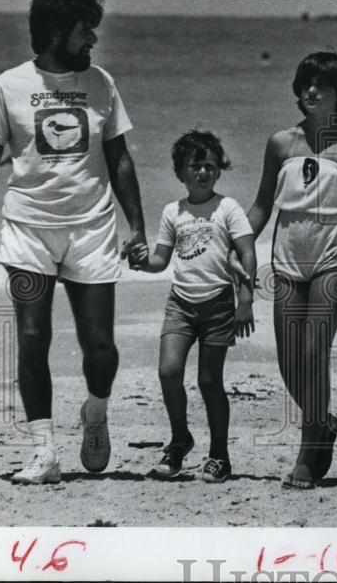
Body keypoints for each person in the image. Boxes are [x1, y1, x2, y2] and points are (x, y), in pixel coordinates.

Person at [0, 0, 146, 484]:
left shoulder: (102, 84)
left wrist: (137, 226)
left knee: (101, 348)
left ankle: (95, 412)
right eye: (86, 31)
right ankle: (44, 451)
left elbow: (120, 158)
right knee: (32, 337)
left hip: (91, 229)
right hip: (27, 231)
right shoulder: (9, 86)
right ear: (57, 32)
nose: (93, 40)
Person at [247, 52, 337, 489]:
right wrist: (233, 243)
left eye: (321, 84)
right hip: (286, 260)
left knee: (313, 353)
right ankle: (323, 422)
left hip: (333, 259)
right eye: (305, 83)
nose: (311, 91)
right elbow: (262, 206)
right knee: (288, 361)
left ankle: (305, 453)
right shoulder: (280, 142)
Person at [127, 131, 256, 484]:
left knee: (210, 381)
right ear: (181, 173)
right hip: (180, 305)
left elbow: (247, 253)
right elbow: (160, 260)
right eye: (195, 166)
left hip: (218, 305)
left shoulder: (227, 208)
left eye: (209, 166)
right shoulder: (173, 211)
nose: (202, 173)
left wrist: (245, 300)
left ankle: (219, 455)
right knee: (169, 372)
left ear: (219, 171)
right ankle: (180, 438)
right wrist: (140, 263)